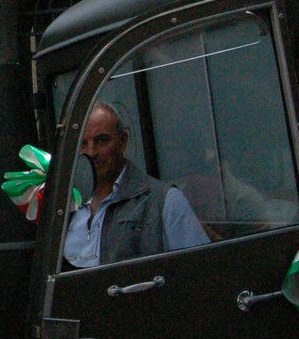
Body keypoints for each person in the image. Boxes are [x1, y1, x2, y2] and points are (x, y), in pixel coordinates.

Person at [62, 101, 209, 268]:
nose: (91, 152)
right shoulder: (65, 203)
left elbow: (199, 271)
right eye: (82, 143)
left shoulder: (164, 201)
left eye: (101, 140)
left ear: (123, 141)